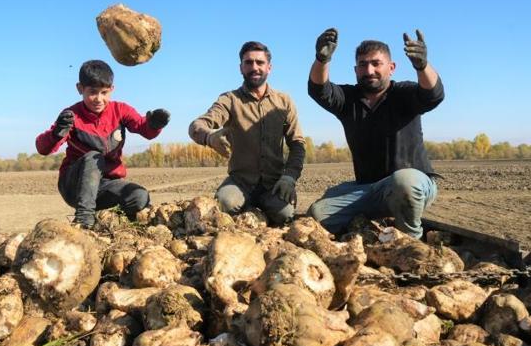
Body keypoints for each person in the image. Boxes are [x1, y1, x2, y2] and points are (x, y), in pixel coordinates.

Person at [307, 28, 444, 238]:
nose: (369, 70)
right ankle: (371, 231)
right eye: (363, 65)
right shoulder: (348, 99)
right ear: (356, 70)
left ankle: (410, 242)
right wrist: (321, 59)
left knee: (404, 182)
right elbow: (319, 90)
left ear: (392, 67)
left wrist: (422, 65)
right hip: (369, 189)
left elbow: (433, 94)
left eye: (376, 63)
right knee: (318, 214)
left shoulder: (404, 93)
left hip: (413, 184)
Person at [36, 60, 170, 228]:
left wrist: (154, 125)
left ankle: (107, 222)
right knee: (94, 157)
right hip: (74, 186)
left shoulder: (121, 110)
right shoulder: (71, 116)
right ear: (80, 89)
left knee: (139, 197)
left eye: (104, 92)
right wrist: (56, 133)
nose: (99, 99)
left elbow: (144, 129)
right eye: (92, 92)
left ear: (112, 90)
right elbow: (42, 148)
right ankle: (84, 221)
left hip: (104, 185)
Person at [189, 41, 305, 225]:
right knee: (225, 203)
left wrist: (290, 176)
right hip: (240, 182)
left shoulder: (284, 101)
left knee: (285, 213)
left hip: (273, 184)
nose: (254, 67)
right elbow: (197, 125)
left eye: (260, 63)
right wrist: (209, 137)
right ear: (241, 67)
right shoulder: (230, 100)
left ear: (269, 67)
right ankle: (247, 211)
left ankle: (260, 212)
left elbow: (297, 144)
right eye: (248, 62)